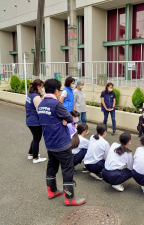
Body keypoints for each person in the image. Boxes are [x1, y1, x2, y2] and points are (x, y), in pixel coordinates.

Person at [38, 78, 85, 206]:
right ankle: (69, 198)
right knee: (67, 168)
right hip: (61, 143)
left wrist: (61, 120)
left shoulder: (41, 104)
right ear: (56, 91)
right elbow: (70, 118)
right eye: (59, 90)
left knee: (52, 165)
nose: (60, 92)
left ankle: (52, 191)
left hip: (49, 142)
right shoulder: (56, 104)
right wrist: (63, 120)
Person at [25, 79, 47, 163]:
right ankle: (35, 158)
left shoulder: (30, 95)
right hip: (35, 122)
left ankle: (31, 154)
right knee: (37, 139)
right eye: (41, 86)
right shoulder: (36, 97)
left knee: (35, 138)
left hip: (29, 120)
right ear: (38, 87)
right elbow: (40, 111)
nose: (42, 88)